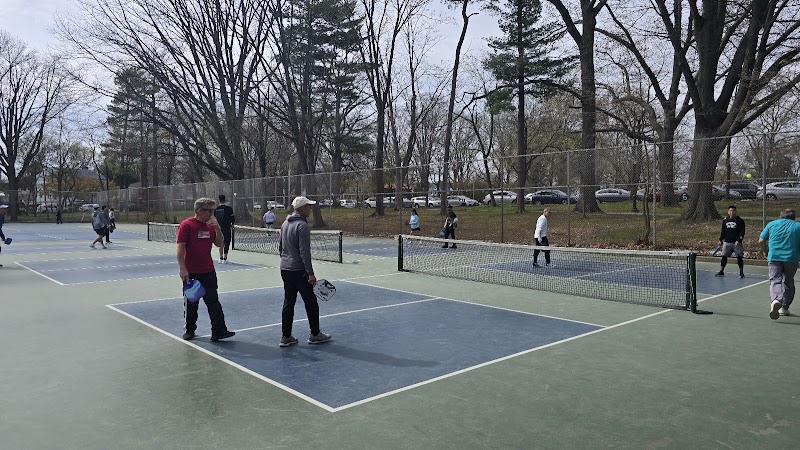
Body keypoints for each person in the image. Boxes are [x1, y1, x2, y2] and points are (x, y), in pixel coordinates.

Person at [177, 197, 235, 341]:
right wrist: (183, 268)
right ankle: (190, 330)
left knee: (213, 302)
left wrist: (218, 228)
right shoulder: (187, 225)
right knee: (192, 303)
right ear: (200, 211)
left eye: (212, 210)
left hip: (208, 271)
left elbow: (219, 243)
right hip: (192, 272)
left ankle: (219, 331)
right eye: (209, 211)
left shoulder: (210, 226)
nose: (212, 214)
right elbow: (180, 247)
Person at [278, 196, 331, 347]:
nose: (310, 208)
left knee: (289, 302)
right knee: (311, 303)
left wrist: (286, 261)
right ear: (301, 209)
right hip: (299, 271)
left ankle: (286, 336)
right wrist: (310, 273)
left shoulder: (284, 224)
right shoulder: (302, 226)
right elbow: (304, 252)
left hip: (285, 269)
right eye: (308, 206)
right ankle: (315, 334)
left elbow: (280, 247)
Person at [759, 208, 800, 320]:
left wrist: (765, 251)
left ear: (780, 216)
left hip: (774, 257)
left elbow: (761, 240)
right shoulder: (798, 226)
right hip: (791, 258)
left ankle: (776, 300)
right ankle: (784, 308)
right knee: (788, 282)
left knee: (775, 280)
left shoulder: (772, 224)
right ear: (794, 217)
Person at [716, 205, 745, 278]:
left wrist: (739, 240)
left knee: (739, 257)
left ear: (736, 212)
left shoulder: (740, 221)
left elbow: (742, 231)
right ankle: (721, 271)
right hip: (727, 242)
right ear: (728, 212)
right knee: (724, 257)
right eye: (731, 211)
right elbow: (723, 231)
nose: (732, 212)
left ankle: (741, 272)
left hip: (736, 243)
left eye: (733, 211)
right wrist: (720, 240)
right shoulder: (725, 220)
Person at [213, 194, 235, 263]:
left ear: (219, 200)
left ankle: (220, 258)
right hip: (226, 228)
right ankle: (225, 258)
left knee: (221, 243)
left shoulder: (216, 210)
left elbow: (214, 219)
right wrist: (232, 224)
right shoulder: (229, 209)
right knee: (227, 242)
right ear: (225, 200)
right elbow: (233, 218)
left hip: (219, 229)